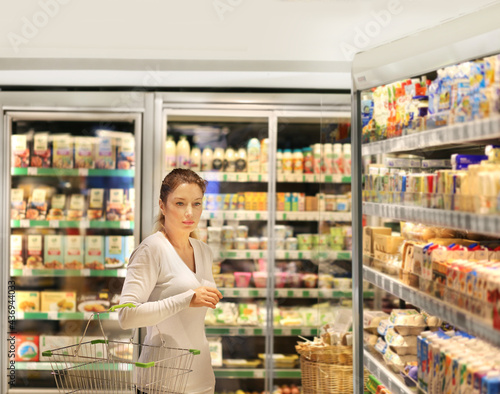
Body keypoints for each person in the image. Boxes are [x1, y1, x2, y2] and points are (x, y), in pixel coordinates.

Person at [118, 168, 223, 394]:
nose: (189, 212)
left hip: (202, 381)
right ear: (162, 205)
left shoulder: (203, 251)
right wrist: (186, 299)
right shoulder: (151, 250)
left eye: (196, 204)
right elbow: (126, 316)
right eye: (179, 203)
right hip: (160, 383)